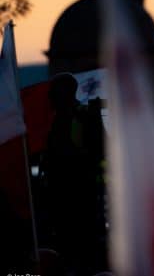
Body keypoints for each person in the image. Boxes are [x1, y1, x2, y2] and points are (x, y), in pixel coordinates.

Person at [41, 73, 107, 275]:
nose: (50, 98)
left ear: (66, 92)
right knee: (64, 244)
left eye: (54, 93)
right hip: (59, 194)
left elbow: (100, 149)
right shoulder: (53, 120)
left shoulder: (84, 116)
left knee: (83, 246)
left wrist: (73, 159)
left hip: (81, 193)